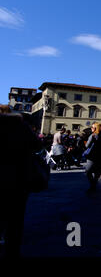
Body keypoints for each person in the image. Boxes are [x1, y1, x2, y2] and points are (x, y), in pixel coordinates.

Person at [0, 110, 44, 257]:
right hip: (18, 179)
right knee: (15, 219)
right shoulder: (21, 126)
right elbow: (37, 145)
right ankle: (12, 251)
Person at [84, 122, 101, 193]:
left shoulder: (93, 135)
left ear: (95, 128)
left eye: (92, 127)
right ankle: (93, 185)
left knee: (88, 171)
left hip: (92, 156)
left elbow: (87, 146)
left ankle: (92, 186)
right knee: (97, 172)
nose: (91, 128)